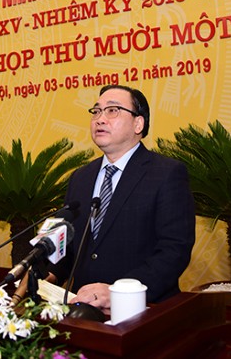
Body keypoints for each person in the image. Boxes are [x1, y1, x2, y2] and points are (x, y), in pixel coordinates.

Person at [48, 84, 195, 308]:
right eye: (96, 111)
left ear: (138, 124)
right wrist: (49, 274)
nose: (100, 119)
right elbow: (67, 242)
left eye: (112, 110)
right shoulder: (80, 177)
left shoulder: (167, 173)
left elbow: (174, 251)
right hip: (84, 309)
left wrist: (118, 293)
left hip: (142, 311)